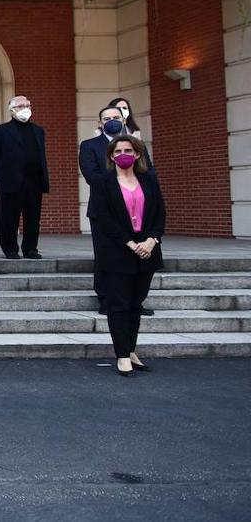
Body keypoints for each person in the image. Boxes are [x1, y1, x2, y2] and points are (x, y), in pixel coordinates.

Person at [86, 135, 165, 377]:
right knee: (118, 305)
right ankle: (121, 354)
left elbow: (160, 213)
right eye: (118, 150)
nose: (123, 154)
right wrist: (130, 243)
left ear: (138, 154)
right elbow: (104, 218)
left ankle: (131, 350)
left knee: (135, 304)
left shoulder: (149, 180)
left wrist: (151, 241)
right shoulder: (103, 182)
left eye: (128, 150)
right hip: (118, 252)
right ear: (111, 156)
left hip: (147, 252)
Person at [81, 105, 155, 317]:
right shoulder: (89, 146)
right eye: (107, 118)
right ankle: (106, 299)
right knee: (106, 256)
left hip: (137, 209)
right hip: (104, 211)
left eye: (116, 117)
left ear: (123, 119)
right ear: (100, 123)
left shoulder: (136, 145)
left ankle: (135, 301)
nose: (111, 120)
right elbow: (92, 176)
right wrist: (121, 183)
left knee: (136, 256)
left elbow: (149, 173)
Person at [0, 95, 50, 259]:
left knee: (33, 217)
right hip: (11, 180)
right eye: (20, 106)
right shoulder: (0, 131)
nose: (25, 109)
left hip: (34, 181)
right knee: (9, 218)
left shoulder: (38, 130)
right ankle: (10, 249)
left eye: (27, 105)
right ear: (11, 110)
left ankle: (30, 249)